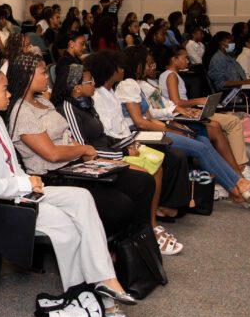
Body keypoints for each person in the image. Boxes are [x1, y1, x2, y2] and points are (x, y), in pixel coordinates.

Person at [0, 57, 137, 317]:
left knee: (83, 198)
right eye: (4, 89)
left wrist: (29, 180)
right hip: (0, 205)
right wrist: (23, 182)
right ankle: (82, 295)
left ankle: (106, 280)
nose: (10, 93)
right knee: (68, 225)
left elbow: (11, 166)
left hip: (22, 193)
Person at [5, 52, 158, 244]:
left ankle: (141, 242)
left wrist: (93, 157)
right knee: (121, 205)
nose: (47, 78)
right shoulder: (22, 113)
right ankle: (115, 247)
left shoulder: (43, 101)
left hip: (76, 165)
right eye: (43, 73)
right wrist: (84, 150)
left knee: (143, 182)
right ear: (28, 76)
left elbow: (67, 136)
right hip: (56, 175)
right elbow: (52, 154)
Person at [105, 50, 250, 204]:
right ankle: (239, 186)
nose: (151, 67)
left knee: (203, 141)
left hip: (149, 129)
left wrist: (174, 121)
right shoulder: (128, 85)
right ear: (137, 65)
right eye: (147, 64)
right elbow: (140, 122)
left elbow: (149, 116)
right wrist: (168, 129)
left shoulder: (134, 84)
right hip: (139, 133)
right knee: (201, 147)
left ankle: (238, 187)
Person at [54, 62, 192, 235]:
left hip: (109, 149)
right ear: (77, 88)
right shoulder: (68, 109)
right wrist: (124, 152)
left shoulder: (87, 104)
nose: (94, 84)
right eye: (89, 82)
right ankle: (148, 227)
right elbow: (84, 150)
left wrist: (128, 142)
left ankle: (152, 222)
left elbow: (103, 136)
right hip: (97, 158)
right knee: (145, 175)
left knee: (157, 162)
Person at [134, 46, 250, 181]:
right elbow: (171, 104)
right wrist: (191, 104)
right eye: (184, 58)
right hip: (174, 118)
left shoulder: (153, 81)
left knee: (216, 128)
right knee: (224, 124)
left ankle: (234, 174)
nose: (187, 61)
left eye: (153, 64)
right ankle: (237, 171)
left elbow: (165, 104)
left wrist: (181, 109)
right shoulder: (166, 77)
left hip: (175, 114)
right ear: (174, 59)